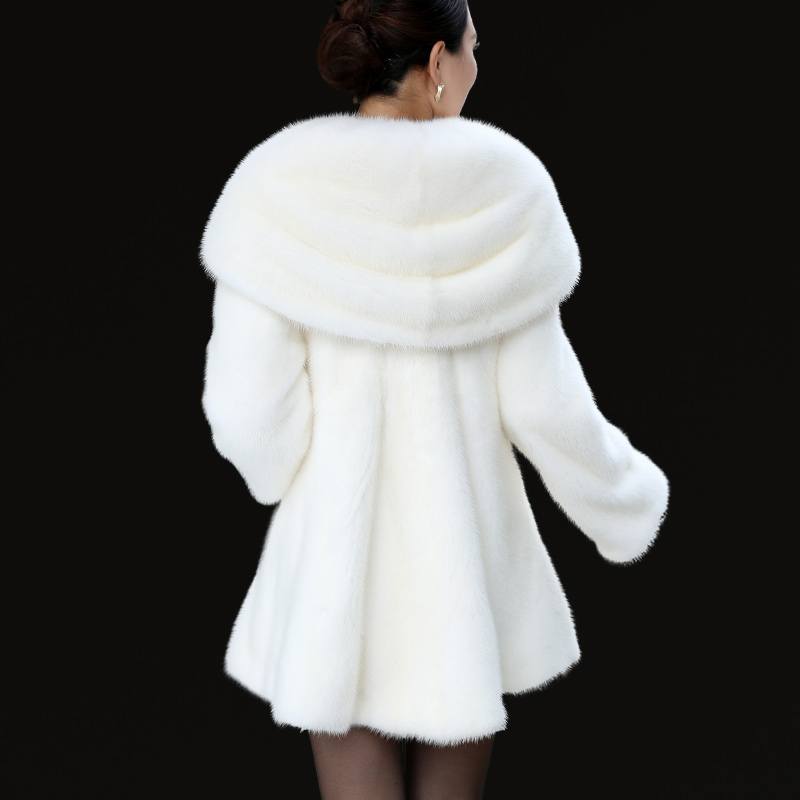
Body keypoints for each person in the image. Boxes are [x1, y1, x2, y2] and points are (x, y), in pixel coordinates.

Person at [199, 1, 670, 797]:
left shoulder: (277, 186)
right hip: (466, 563)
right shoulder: (504, 187)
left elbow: (246, 406)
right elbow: (547, 406)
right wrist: (626, 504)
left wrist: (281, 475)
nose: (478, 66)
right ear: (439, 63)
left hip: (338, 563)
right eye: (475, 48)